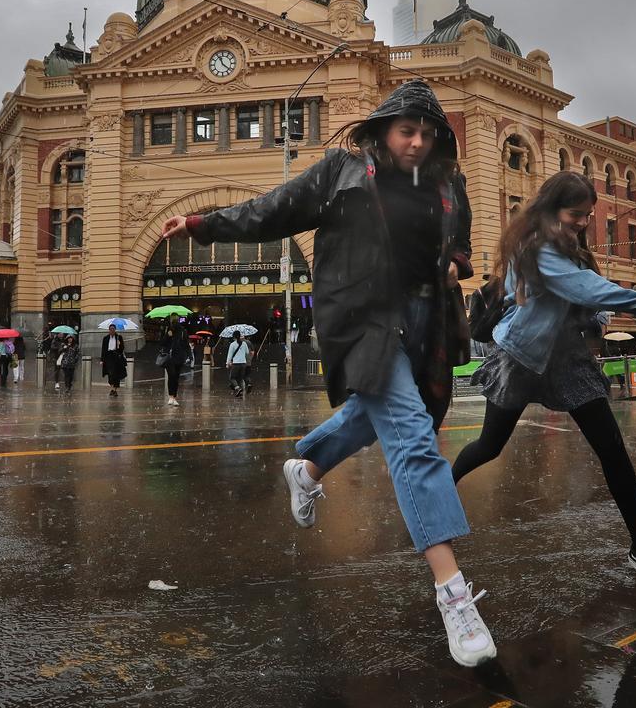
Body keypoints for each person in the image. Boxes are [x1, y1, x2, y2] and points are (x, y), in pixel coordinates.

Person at [162, 80, 494, 667]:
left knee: (377, 418)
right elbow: (271, 210)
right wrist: (201, 225)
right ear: (383, 131)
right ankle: (454, 593)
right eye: (406, 131)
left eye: (427, 133)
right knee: (415, 441)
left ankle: (308, 467)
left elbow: (461, 246)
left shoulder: (450, 184)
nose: (417, 143)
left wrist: (454, 262)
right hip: (363, 316)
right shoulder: (342, 171)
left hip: (426, 320)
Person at [451, 171, 636, 601]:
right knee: (489, 445)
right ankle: (442, 489)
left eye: (588, 215)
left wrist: (596, 317)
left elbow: (586, 298)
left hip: (568, 359)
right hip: (521, 359)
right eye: (576, 214)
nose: (583, 222)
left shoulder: (569, 248)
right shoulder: (537, 249)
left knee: (613, 451)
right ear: (551, 209)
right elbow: (585, 288)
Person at [158, 322, 190, 407]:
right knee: (171, 375)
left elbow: (186, 344)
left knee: (176, 377)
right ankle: (171, 396)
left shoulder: (183, 331)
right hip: (169, 358)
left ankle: (174, 396)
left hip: (179, 357)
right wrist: (168, 336)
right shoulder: (167, 330)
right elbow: (162, 343)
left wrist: (189, 355)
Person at [101, 324, 128, 397]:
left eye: (113, 329)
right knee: (110, 373)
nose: (112, 330)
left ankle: (114, 390)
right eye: (110, 329)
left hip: (116, 357)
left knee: (116, 374)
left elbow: (122, 348)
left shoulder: (119, 337)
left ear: (115, 329)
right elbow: (103, 349)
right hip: (108, 357)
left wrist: (119, 345)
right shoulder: (105, 338)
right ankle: (112, 388)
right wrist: (102, 359)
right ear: (109, 330)